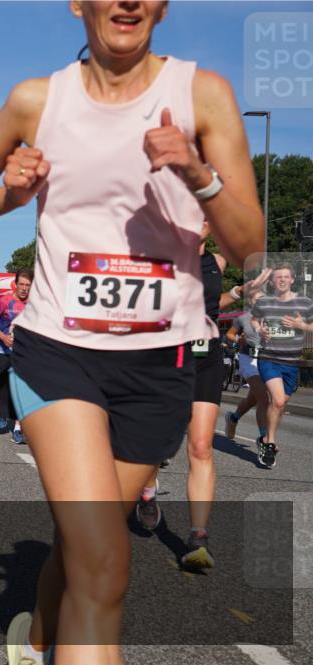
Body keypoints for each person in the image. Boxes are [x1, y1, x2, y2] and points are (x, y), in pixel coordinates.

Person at [0, 2, 263, 662]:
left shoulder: (203, 94)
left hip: (158, 364)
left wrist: (197, 174)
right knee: (103, 561)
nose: (127, 2)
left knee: (83, 542)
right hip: (59, 353)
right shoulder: (38, 99)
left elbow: (250, 247)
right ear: (78, 3)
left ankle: (35, 640)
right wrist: (10, 193)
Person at [136, 224, 239, 570]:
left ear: (209, 225)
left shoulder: (219, 263)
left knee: (200, 446)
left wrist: (236, 294)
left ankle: (198, 537)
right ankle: (147, 492)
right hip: (165, 355)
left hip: (206, 356)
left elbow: (214, 300)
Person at [250, 263, 313, 468]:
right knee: (277, 401)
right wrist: (259, 330)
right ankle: (270, 443)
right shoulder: (265, 302)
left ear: (292, 279)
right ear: (272, 281)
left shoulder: (304, 302)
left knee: (280, 404)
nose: (283, 280)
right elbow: (254, 320)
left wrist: (301, 325)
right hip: (269, 358)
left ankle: (266, 438)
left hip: (292, 362)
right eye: (278, 277)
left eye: (286, 277)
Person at [0, 269, 32, 443]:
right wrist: (3, 337)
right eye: (21, 284)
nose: (24, 288)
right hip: (3, 350)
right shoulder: (5, 301)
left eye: (28, 285)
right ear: (16, 284)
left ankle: (19, 428)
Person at [224, 280, 270, 441]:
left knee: (253, 399)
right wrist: (239, 340)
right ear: (251, 301)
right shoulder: (243, 319)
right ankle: (265, 438)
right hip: (247, 358)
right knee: (264, 398)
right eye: (257, 300)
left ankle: (233, 418)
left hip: (266, 360)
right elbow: (229, 334)